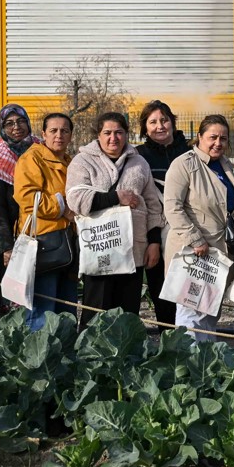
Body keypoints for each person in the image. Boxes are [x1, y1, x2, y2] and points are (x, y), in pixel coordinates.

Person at [66, 112, 164, 324]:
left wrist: (154, 241)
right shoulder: (82, 161)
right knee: (96, 313)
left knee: (128, 315)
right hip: (100, 247)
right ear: (98, 135)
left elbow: (153, 204)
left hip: (133, 251)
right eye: (107, 133)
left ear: (126, 134)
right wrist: (116, 197)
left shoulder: (139, 163)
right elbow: (76, 199)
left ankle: (126, 357)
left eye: (119, 132)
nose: (113, 138)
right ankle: (91, 356)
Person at [163, 115, 234, 341]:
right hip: (193, 251)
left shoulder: (226, 165)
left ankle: (206, 366)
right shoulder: (184, 164)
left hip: (217, 252)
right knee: (190, 313)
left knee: (209, 312)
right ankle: (189, 366)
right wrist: (196, 239)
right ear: (199, 137)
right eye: (212, 137)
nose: (218, 143)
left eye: (223, 138)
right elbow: (172, 207)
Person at [12, 113, 78, 331]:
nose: (59, 135)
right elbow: (28, 199)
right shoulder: (31, 159)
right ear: (43, 134)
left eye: (65, 131)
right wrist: (64, 208)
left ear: (70, 135)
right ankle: (38, 360)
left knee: (66, 311)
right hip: (43, 245)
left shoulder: (70, 161)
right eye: (54, 130)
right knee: (42, 312)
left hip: (67, 246)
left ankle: (63, 360)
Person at [136, 100, 192, 327]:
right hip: (157, 234)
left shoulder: (190, 152)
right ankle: (168, 341)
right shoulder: (138, 156)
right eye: (153, 122)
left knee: (190, 290)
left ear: (172, 121)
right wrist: (153, 240)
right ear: (144, 127)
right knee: (162, 289)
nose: (160, 126)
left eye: (164, 120)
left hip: (190, 232)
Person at [0, 104, 38, 282]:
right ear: (1, 127)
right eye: (9, 123)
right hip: (16, 237)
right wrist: (6, 247)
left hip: (44, 230)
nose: (16, 127)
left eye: (21, 121)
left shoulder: (40, 147)